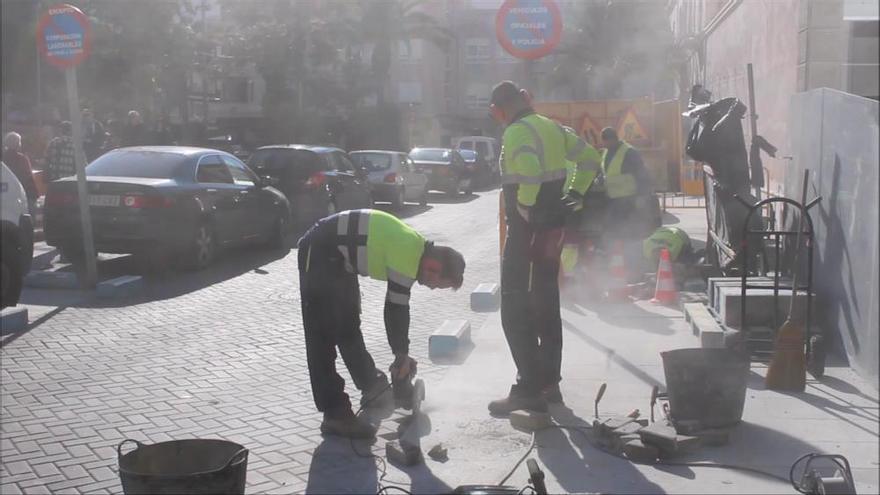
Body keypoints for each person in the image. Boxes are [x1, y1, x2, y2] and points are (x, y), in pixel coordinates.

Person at [297, 209, 465, 438]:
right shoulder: (408, 253)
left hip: (338, 261)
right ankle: (334, 413)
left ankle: (373, 386)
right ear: (433, 267)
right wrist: (401, 355)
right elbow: (395, 309)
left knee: (348, 326)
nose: (432, 288)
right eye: (437, 285)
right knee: (321, 337)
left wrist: (401, 355)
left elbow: (397, 310)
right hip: (318, 252)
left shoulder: (415, 249)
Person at [487, 81, 601, 414]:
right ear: (525, 99)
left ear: (498, 110)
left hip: (527, 233)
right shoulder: (553, 128)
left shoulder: (515, 133)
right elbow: (591, 158)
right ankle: (549, 384)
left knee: (514, 307)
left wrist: (523, 208)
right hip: (553, 230)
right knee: (547, 303)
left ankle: (528, 389)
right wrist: (576, 192)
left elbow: (531, 175)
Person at [599, 127, 660, 276]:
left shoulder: (629, 152)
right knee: (616, 233)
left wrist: (641, 197)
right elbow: (607, 173)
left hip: (629, 201)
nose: (604, 145)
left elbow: (641, 175)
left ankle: (634, 267)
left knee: (631, 234)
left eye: (606, 141)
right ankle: (620, 265)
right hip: (614, 201)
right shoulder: (607, 152)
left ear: (613, 139)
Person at [2, 132, 39, 210]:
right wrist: (34, 194)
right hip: (24, 193)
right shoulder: (22, 159)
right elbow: (28, 178)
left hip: (6, 193)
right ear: (17, 144)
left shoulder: (3, 159)